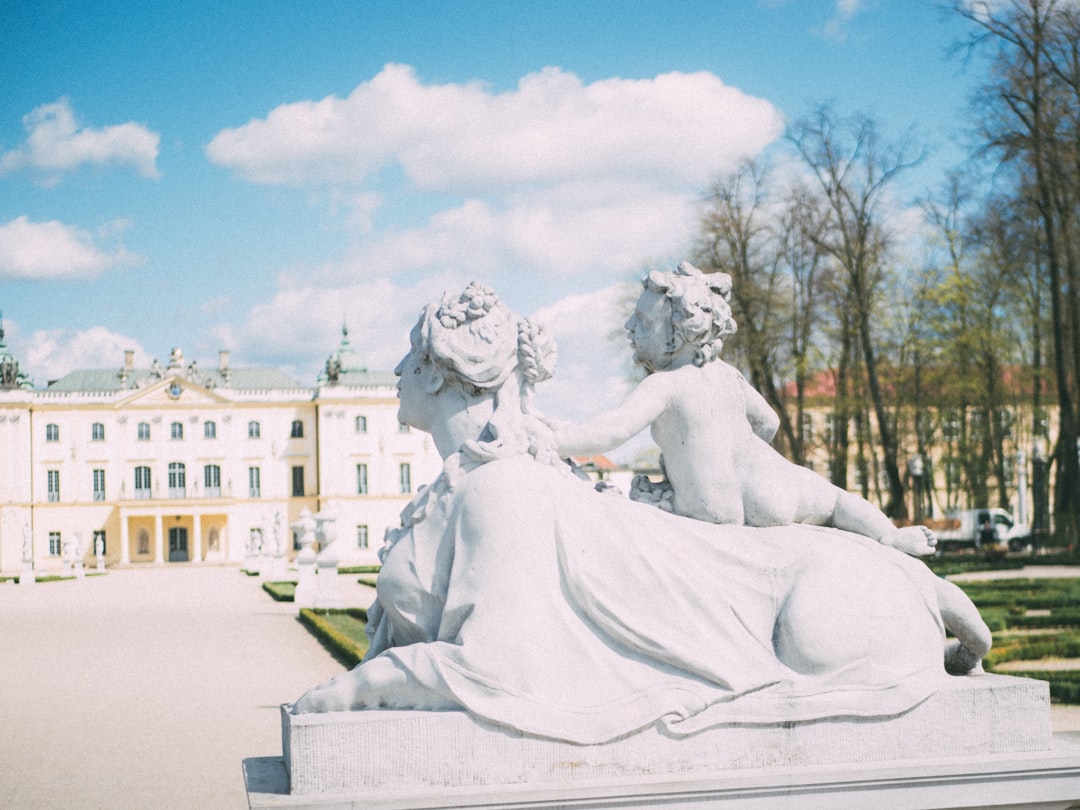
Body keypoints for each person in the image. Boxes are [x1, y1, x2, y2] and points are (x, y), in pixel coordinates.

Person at [292, 281, 989, 743]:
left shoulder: (503, 491)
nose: (395, 372)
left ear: (444, 371)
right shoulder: (479, 484)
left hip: (808, 587)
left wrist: (354, 691)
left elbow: (498, 668)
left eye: (411, 356)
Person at [555, 261, 936, 557]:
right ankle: (890, 535)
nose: (628, 326)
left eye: (640, 321)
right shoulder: (730, 377)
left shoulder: (665, 384)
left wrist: (552, 437)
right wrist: (739, 454)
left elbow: (610, 432)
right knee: (834, 499)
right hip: (773, 485)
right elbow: (768, 421)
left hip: (710, 504)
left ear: (675, 333)